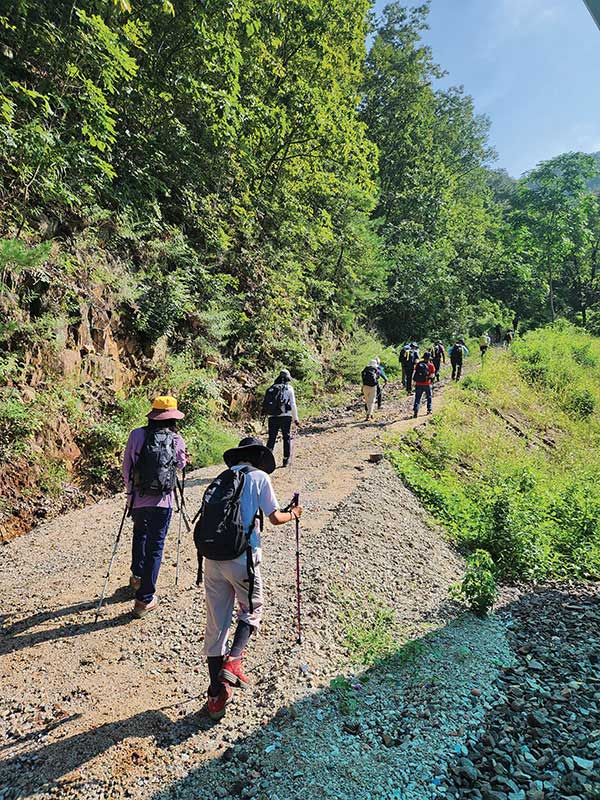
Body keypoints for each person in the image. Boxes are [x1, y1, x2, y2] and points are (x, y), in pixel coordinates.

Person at [199, 437, 303, 720]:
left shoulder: (223, 477)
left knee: (216, 624)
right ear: (258, 458)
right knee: (251, 610)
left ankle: (215, 695)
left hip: (212, 559)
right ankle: (233, 662)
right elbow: (274, 518)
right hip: (242, 558)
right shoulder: (259, 478)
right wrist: (293, 513)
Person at [122, 396, 187, 619]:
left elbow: (127, 467)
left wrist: (130, 494)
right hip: (164, 501)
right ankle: (144, 599)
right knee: (155, 546)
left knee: (139, 534)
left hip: (139, 498)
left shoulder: (136, 435)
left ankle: (137, 576)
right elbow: (180, 465)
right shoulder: (177, 439)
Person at [263, 369, 300, 468]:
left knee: (271, 438)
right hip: (286, 416)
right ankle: (285, 460)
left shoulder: (272, 388)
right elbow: (293, 404)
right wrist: (296, 418)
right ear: (288, 378)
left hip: (272, 417)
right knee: (286, 437)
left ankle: (266, 460)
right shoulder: (289, 388)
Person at [412, 352, 435, 418]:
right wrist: (431, 379)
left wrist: (414, 382)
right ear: (429, 358)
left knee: (417, 398)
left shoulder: (418, 364)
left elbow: (415, 372)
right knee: (429, 397)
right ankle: (429, 410)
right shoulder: (431, 365)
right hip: (427, 383)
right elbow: (432, 375)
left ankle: (416, 410)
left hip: (418, 384)